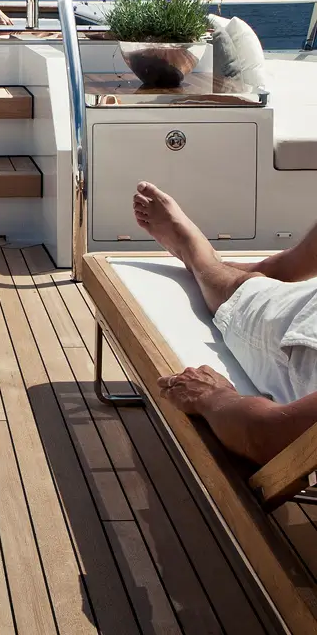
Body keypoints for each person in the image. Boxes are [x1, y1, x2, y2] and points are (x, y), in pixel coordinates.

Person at [133, 181, 317, 464]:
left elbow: (268, 437)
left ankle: (200, 258)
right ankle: (269, 270)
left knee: (239, 291)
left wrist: (212, 397)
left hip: (303, 339)